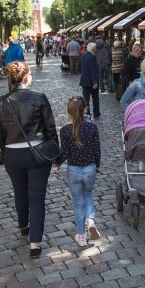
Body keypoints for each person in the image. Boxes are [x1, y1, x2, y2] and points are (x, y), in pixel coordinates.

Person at [0, 61, 60, 258]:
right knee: (37, 198)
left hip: (13, 154)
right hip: (37, 153)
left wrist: (2, 156)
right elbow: (50, 128)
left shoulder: (1, 102)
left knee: (20, 192)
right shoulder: (39, 98)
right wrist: (57, 155)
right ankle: (35, 243)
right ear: (25, 77)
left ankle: (23, 225)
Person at [58, 95, 101, 247]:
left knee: (77, 202)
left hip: (74, 170)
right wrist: (98, 164)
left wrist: (57, 163)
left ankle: (81, 236)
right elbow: (97, 149)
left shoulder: (64, 130)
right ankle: (90, 221)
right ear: (85, 110)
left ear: (69, 112)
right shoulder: (92, 128)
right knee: (88, 196)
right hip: (89, 168)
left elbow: (65, 152)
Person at [79, 42, 101, 118]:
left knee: (86, 99)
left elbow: (79, 68)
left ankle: (87, 113)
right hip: (91, 82)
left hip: (84, 81)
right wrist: (95, 82)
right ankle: (96, 112)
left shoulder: (83, 56)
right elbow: (93, 70)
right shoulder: (92, 57)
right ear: (93, 49)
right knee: (95, 98)